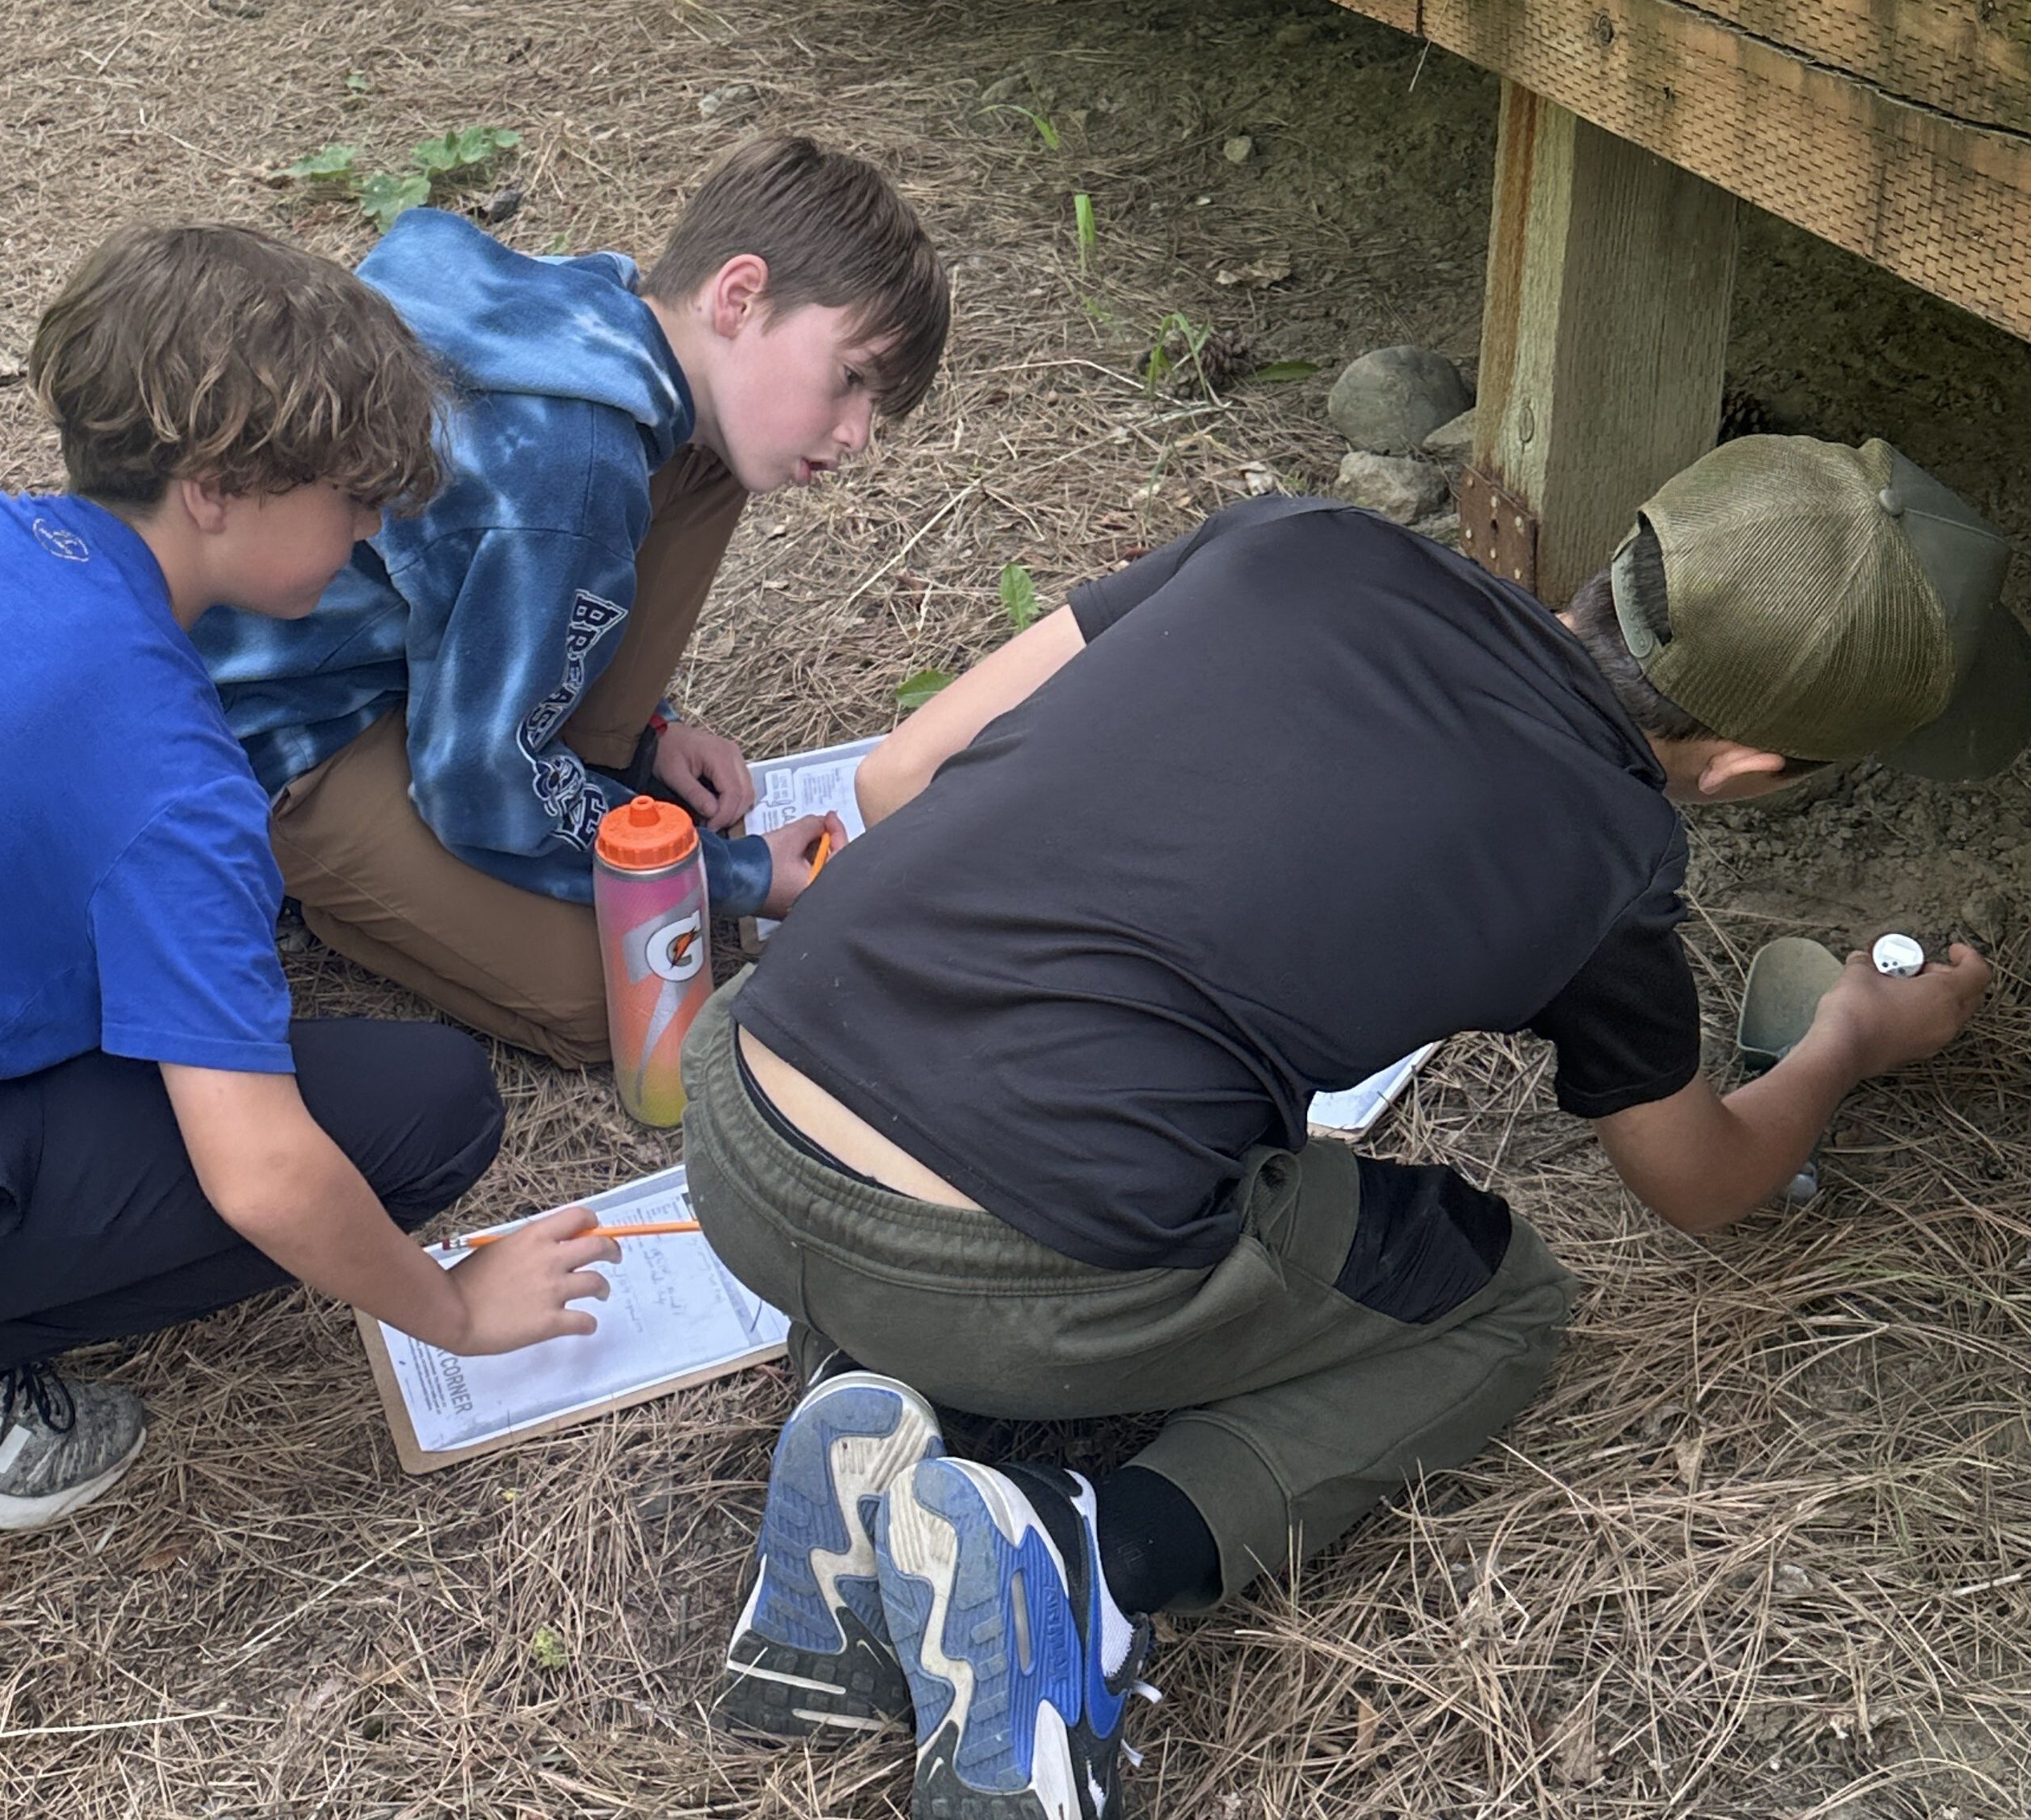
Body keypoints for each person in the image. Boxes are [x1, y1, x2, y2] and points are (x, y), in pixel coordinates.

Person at [684, 436, 2016, 1816]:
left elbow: (900, 777)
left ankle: (873, 1422)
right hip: (1010, 1260)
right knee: (1497, 1300)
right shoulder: (1605, 855)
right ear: (1739, 768)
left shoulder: (1301, 537)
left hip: (747, 1105)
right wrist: (1850, 1035)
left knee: (991, 1194)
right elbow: (1698, 1180)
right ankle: (1085, 1562)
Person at [0, 225, 620, 1533]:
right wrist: (452, 1307)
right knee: (424, 1109)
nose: (372, 528)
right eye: (352, 495)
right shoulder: (165, 773)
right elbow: (261, 1176)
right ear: (216, 485)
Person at [191, 136, 948, 1066]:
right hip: (297, 737)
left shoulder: (615, 313)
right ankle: (328, 882)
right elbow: (476, 783)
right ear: (740, 295)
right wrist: (739, 876)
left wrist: (657, 730)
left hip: (432, 663)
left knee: (712, 461)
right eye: (852, 378)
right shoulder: (574, 471)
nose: (858, 436)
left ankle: (591, 754)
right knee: (626, 996)